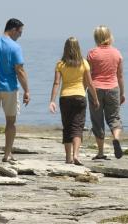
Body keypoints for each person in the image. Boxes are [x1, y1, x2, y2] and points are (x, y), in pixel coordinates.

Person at [0, 18, 30, 162]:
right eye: (20, 32)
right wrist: (27, 90)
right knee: (11, 122)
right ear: (13, 29)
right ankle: (7, 154)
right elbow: (20, 70)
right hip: (9, 88)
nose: (20, 35)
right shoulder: (15, 47)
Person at [49, 37, 100, 165]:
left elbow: (56, 83)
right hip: (80, 97)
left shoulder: (60, 64)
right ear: (78, 48)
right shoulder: (83, 63)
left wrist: (52, 100)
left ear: (65, 48)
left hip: (65, 97)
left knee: (67, 127)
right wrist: (95, 98)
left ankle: (68, 158)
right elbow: (89, 83)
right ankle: (76, 155)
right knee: (78, 126)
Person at [87, 25, 126, 159]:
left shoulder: (92, 53)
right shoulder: (117, 53)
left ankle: (101, 152)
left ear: (96, 38)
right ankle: (116, 138)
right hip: (113, 88)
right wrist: (122, 93)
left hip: (96, 89)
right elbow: (120, 75)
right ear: (109, 36)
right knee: (114, 118)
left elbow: (88, 74)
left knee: (97, 120)